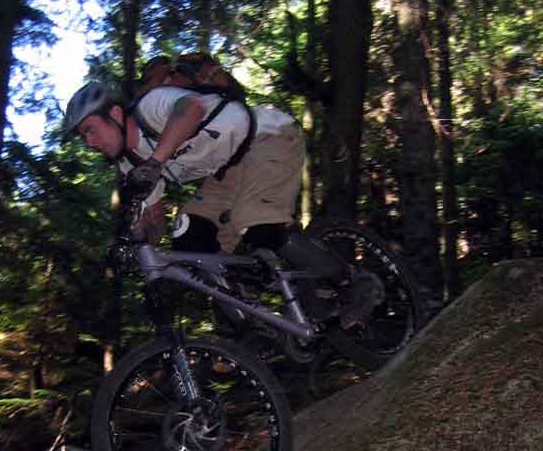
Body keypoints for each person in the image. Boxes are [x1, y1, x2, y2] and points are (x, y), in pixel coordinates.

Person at [62, 80, 382, 328]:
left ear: (115, 115)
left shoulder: (150, 106)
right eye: (82, 137)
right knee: (188, 234)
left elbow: (190, 111)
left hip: (265, 136)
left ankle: (354, 281)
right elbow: (155, 220)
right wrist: (136, 241)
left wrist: (156, 161)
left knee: (254, 221)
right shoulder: (129, 162)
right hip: (226, 172)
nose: (89, 142)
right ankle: (251, 322)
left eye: (90, 130)